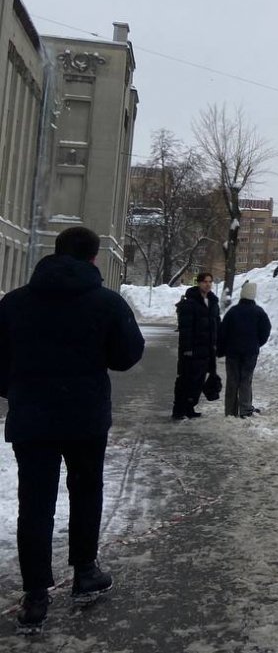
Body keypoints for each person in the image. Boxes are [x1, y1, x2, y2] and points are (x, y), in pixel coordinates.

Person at [0, 226, 145, 634]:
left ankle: (35, 597)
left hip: (32, 419)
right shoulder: (107, 302)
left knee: (34, 504)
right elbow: (126, 356)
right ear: (93, 259)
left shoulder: (14, 303)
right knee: (85, 491)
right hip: (85, 418)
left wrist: (18, 388)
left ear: (54, 253)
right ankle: (85, 573)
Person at [217, 280, 271, 418]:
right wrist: (257, 343)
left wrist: (222, 348)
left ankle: (230, 411)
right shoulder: (259, 312)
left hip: (233, 352)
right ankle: (246, 409)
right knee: (246, 380)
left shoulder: (233, 311)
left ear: (242, 294)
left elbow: (223, 331)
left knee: (232, 380)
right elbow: (265, 330)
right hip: (250, 353)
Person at [171, 272, 219, 420]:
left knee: (199, 380)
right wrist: (187, 349)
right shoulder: (190, 303)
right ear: (198, 283)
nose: (208, 284)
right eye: (205, 282)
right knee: (186, 379)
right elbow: (186, 329)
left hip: (207, 349)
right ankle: (179, 410)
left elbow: (217, 324)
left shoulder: (212, 302)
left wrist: (217, 343)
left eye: (210, 282)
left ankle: (190, 407)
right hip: (192, 349)